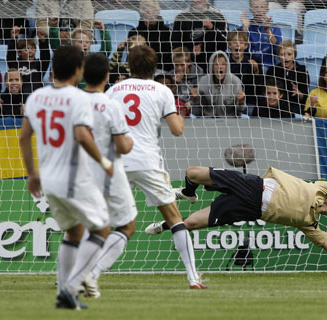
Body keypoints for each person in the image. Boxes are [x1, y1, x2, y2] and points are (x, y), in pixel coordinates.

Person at [145, 166, 327, 266]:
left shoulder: (310, 225)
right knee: (193, 172)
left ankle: (165, 226)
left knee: (190, 223)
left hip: (248, 209)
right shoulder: (318, 187)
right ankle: (189, 193)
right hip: (253, 186)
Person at [19, 45, 113, 309]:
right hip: (74, 176)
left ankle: (64, 292)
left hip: (48, 178)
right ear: (78, 70)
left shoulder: (36, 97)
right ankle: (71, 288)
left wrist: (31, 174)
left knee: (74, 232)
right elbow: (83, 136)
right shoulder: (78, 98)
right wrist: (104, 161)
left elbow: (24, 137)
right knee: (103, 227)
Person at [105, 45, 205, 289]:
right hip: (148, 162)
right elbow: (177, 130)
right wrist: (179, 113)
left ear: (130, 65)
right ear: (154, 66)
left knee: (100, 219)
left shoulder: (114, 90)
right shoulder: (162, 90)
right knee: (173, 217)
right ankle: (193, 278)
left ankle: (75, 273)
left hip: (118, 159)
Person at [80, 53, 136, 298]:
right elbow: (122, 146)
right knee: (126, 225)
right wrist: (131, 141)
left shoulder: (74, 102)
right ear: (107, 76)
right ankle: (92, 273)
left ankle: (70, 276)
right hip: (109, 172)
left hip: (81, 173)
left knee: (86, 227)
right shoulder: (111, 105)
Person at [171, 0, 227, 71]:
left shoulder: (218, 15)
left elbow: (224, 45)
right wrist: (191, 52)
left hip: (213, 67)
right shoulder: (182, 16)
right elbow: (175, 45)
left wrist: (211, 27)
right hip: (188, 68)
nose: (196, 0)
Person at [192, 51, 246, 117]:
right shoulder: (203, 81)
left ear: (227, 66)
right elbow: (197, 111)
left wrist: (241, 102)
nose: (220, 67)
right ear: (211, 66)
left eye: (223, 64)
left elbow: (240, 110)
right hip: (208, 120)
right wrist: (195, 99)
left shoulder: (235, 81)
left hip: (230, 120)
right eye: (216, 64)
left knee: (245, 117)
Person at [128, 0, 173, 72]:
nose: (151, 14)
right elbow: (132, 55)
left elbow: (168, 57)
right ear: (142, 14)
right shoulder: (134, 32)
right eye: (148, 12)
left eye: (154, 11)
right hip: (139, 69)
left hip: (161, 70)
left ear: (158, 12)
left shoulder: (167, 32)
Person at [266, 40, 309, 115]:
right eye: (282, 54)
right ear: (278, 56)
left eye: (289, 54)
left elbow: (305, 98)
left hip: (295, 107)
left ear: (294, 56)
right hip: (277, 107)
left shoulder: (302, 71)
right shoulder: (272, 71)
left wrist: (299, 94)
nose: (286, 57)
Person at [242, 0, 282, 73]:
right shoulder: (246, 26)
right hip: (249, 65)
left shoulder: (274, 28)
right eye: (256, 7)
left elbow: (278, 51)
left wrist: (267, 30)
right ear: (250, 9)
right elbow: (238, 47)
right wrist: (245, 28)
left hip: (269, 66)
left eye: (262, 7)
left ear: (267, 10)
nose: (259, 10)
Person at [227, 30, 264, 107]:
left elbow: (259, 91)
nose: (237, 45)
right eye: (234, 42)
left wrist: (256, 72)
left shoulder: (254, 61)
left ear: (246, 46)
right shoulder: (224, 61)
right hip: (227, 101)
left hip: (248, 102)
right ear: (229, 45)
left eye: (241, 42)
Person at [167, 47, 204, 113]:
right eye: (176, 65)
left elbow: (203, 97)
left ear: (188, 62)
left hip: (194, 107)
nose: (179, 68)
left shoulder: (199, 74)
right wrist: (173, 84)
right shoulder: (170, 76)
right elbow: (167, 98)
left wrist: (192, 103)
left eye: (182, 65)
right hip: (177, 106)